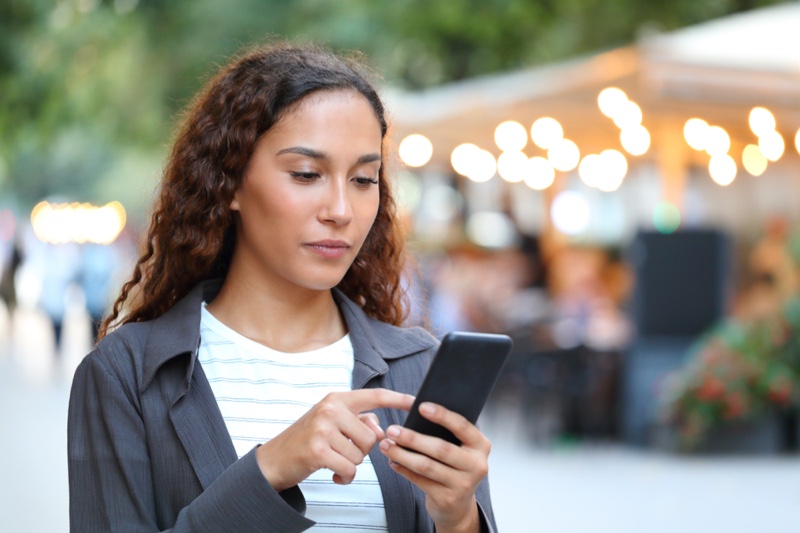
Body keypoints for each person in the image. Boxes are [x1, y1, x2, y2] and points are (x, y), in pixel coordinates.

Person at [67, 42, 497, 532]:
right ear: (228, 183)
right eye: (307, 174)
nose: (340, 209)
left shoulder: (417, 367)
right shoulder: (128, 375)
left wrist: (459, 516)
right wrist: (269, 470)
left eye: (363, 179)